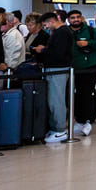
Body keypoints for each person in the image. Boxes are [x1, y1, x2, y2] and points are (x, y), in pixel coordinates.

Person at [67, 9, 96, 135]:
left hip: (89, 67)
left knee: (86, 94)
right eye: (73, 17)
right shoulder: (66, 32)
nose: (76, 19)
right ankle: (77, 120)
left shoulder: (91, 31)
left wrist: (88, 43)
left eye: (78, 17)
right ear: (69, 20)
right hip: (71, 68)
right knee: (72, 95)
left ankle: (86, 120)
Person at [40, 11, 74, 142]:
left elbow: (58, 53)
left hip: (58, 69)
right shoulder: (61, 32)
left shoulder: (62, 33)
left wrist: (43, 50)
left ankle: (59, 130)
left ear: (51, 21)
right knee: (53, 99)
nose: (46, 28)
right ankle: (56, 128)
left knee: (56, 100)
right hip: (56, 68)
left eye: (46, 25)